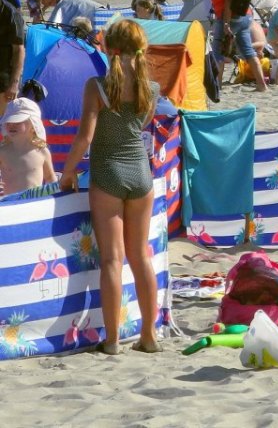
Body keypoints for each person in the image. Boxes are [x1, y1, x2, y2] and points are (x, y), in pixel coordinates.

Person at [58, 20, 162, 354]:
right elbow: (139, 125)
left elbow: (85, 137)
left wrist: (67, 173)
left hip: (108, 173)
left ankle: (113, 341)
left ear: (107, 47)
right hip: (141, 176)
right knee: (141, 257)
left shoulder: (97, 86)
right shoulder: (152, 87)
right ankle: (149, 336)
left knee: (112, 262)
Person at [211, 0, 267, 92]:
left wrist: (226, 23)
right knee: (249, 52)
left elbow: (229, 1)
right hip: (246, 16)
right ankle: (261, 85)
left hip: (231, 17)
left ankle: (217, 86)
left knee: (218, 51)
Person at [0, 97, 54, 197]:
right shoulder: (2, 152)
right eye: (8, 122)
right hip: (9, 205)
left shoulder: (42, 152)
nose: (11, 125)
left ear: (33, 124)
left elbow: (50, 177)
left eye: (17, 122)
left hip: (33, 205)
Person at [0, 0, 25, 103]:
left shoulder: (10, 12)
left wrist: (14, 83)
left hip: (3, 81)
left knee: (3, 119)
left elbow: (19, 50)